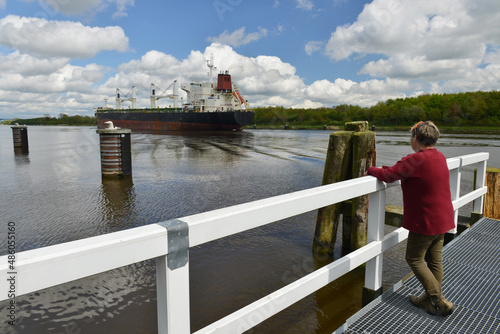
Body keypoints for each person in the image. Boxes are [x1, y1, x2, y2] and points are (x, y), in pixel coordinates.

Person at [365, 121, 456, 316]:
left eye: (411, 136)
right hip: (443, 219)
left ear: (415, 137)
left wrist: (371, 170)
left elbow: (388, 176)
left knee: (414, 258)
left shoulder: (415, 160)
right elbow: (400, 171)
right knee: (434, 260)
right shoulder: (439, 156)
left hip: (426, 221)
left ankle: (439, 300)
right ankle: (429, 299)